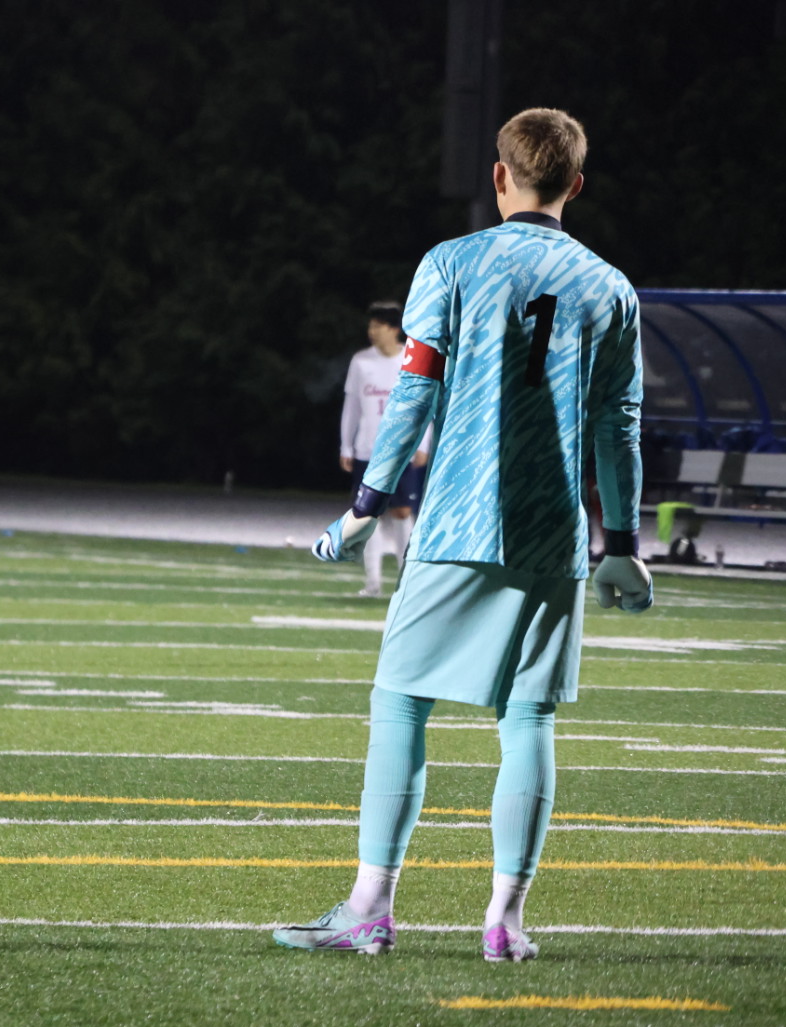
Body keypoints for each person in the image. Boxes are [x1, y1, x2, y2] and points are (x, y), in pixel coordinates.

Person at [274, 108, 652, 962]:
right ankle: (506, 921)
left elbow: (411, 401)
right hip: (553, 529)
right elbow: (619, 427)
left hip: (453, 521)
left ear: (498, 176)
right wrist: (623, 542)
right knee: (528, 720)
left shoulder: (450, 263)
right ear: (577, 187)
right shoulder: (611, 288)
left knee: (401, 701)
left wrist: (364, 506)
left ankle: (371, 908)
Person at [340, 300, 432, 597]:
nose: (371, 331)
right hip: (368, 450)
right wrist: (346, 445)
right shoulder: (360, 361)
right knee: (368, 516)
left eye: (377, 326)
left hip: (402, 450)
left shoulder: (413, 359)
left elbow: (425, 405)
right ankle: (373, 583)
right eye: (370, 326)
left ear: (394, 329)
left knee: (403, 512)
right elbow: (352, 406)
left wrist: (425, 443)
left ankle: (407, 582)